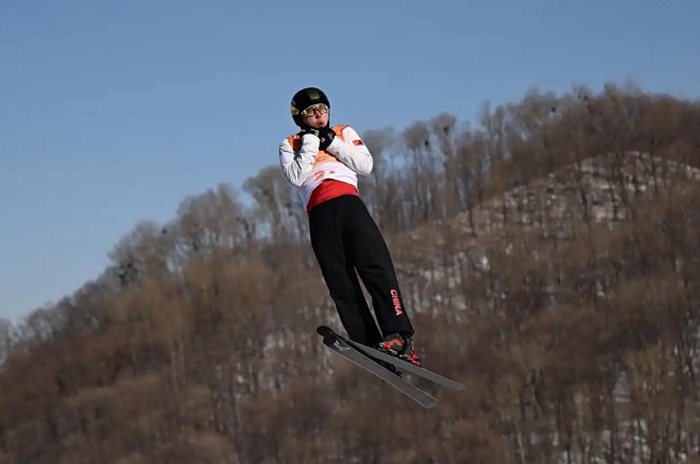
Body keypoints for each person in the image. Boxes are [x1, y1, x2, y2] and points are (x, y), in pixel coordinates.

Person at [278, 86, 421, 367]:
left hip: (349, 204)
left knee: (375, 266)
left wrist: (331, 143)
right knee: (340, 281)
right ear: (299, 117)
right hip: (320, 214)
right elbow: (296, 177)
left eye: (323, 110)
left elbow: (365, 165)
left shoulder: (344, 132)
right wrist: (310, 143)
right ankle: (369, 342)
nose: (319, 117)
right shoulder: (289, 144)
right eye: (311, 113)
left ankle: (399, 336)